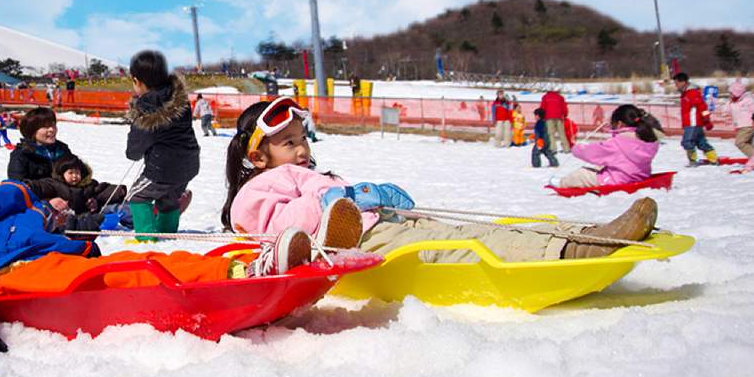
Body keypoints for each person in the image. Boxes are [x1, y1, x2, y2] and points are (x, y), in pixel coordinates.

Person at [0, 97, 310, 359]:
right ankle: (243, 276)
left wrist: (56, 217)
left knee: (140, 259)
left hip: (53, 258)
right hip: (12, 276)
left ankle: (243, 263)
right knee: (128, 274)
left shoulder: (1, 195)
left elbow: (57, 223)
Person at [222, 98, 659, 264]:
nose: (301, 150)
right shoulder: (257, 188)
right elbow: (273, 226)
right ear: (258, 156)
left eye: (302, 139)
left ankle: (584, 233)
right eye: (287, 143)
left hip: (390, 224)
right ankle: (570, 251)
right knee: (462, 249)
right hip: (362, 245)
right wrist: (336, 201)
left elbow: (332, 194)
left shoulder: (310, 172)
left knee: (471, 230)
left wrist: (374, 195)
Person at [125, 50, 199, 237]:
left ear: (136, 81)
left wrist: (134, 152)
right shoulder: (178, 99)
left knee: (137, 196)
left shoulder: (145, 108)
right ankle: (167, 233)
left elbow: (134, 149)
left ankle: (146, 236)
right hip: (189, 162)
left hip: (162, 168)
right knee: (168, 199)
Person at [552, 105, 659, 188]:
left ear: (620, 124)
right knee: (601, 166)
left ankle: (562, 183)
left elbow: (594, 152)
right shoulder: (647, 138)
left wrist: (576, 149)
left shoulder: (618, 142)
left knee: (581, 174)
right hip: (639, 176)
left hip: (618, 180)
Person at [8, 106, 73, 194]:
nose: (52, 129)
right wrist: (48, 201)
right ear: (32, 131)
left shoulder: (62, 149)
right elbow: (18, 188)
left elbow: (78, 173)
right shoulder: (21, 155)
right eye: (45, 126)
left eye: (53, 124)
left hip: (67, 199)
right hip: (37, 204)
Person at [673, 72, 717, 165]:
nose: (675, 85)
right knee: (701, 143)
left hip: (693, 123)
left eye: (676, 83)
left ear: (683, 82)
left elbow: (702, 106)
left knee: (687, 142)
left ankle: (692, 161)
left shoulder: (692, 93)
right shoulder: (685, 93)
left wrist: (707, 119)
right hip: (690, 123)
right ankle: (713, 159)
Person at [729, 81, 754, 158]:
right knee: (748, 144)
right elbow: (726, 109)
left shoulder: (748, 100)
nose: (730, 95)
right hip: (740, 126)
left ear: (737, 93)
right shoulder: (733, 102)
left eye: (731, 93)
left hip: (748, 126)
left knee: (740, 143)